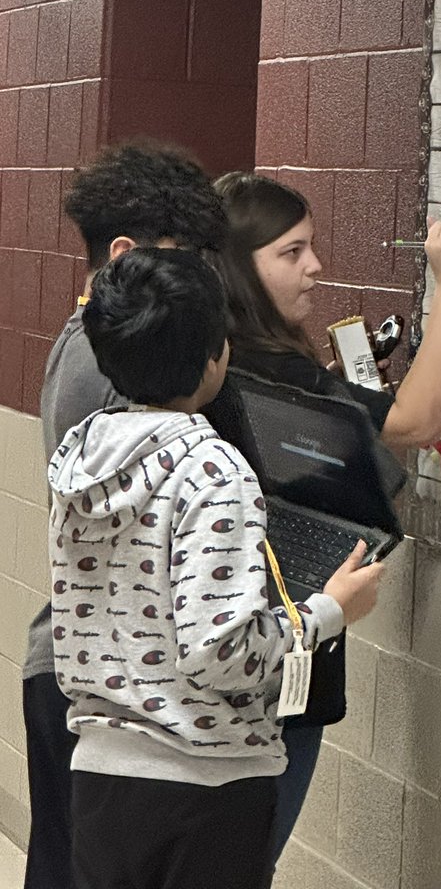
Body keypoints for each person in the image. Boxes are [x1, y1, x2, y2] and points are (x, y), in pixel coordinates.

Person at [50, 247, 382, 889]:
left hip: (100, 775)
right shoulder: (214, 471)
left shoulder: (82, 458)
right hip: (205, 788)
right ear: (215, 355)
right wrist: (328, 612)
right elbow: (220, 653)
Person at [209, 171, 441, 858]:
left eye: (312, 247)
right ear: (241, 267)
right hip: (276, 651)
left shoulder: (211, 361)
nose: (315, 267)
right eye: (291, 252)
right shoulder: (272, 371)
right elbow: (417, 421)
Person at [24, 141, 230, 889]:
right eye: (189, 260)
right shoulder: (117, 373)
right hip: (103, 688)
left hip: (79, 667)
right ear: (122, 255)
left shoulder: (84, 344)